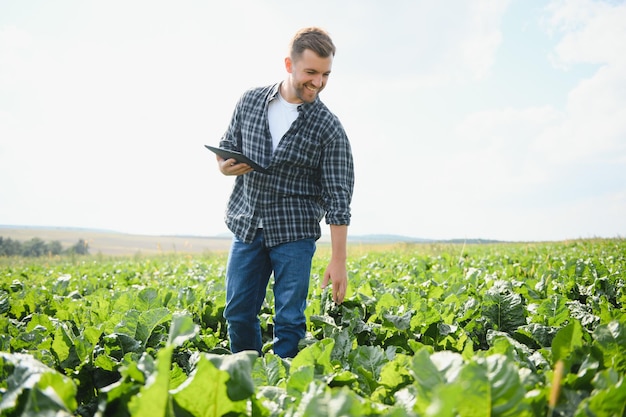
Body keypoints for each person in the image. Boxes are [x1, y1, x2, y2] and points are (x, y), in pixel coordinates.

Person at [215, 27, 354, 358]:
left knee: (289, 320)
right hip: (247, 224)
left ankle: (283, 393)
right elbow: (226, 147)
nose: (318, 82)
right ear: (289, 65)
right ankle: (248, 378)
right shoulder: (250, 102)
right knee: (237, 313)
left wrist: (338, 259)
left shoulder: (328, 127)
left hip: (294, 233)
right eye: (311, 72)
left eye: (325, 75)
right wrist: (223, 165)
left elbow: (339, 197)